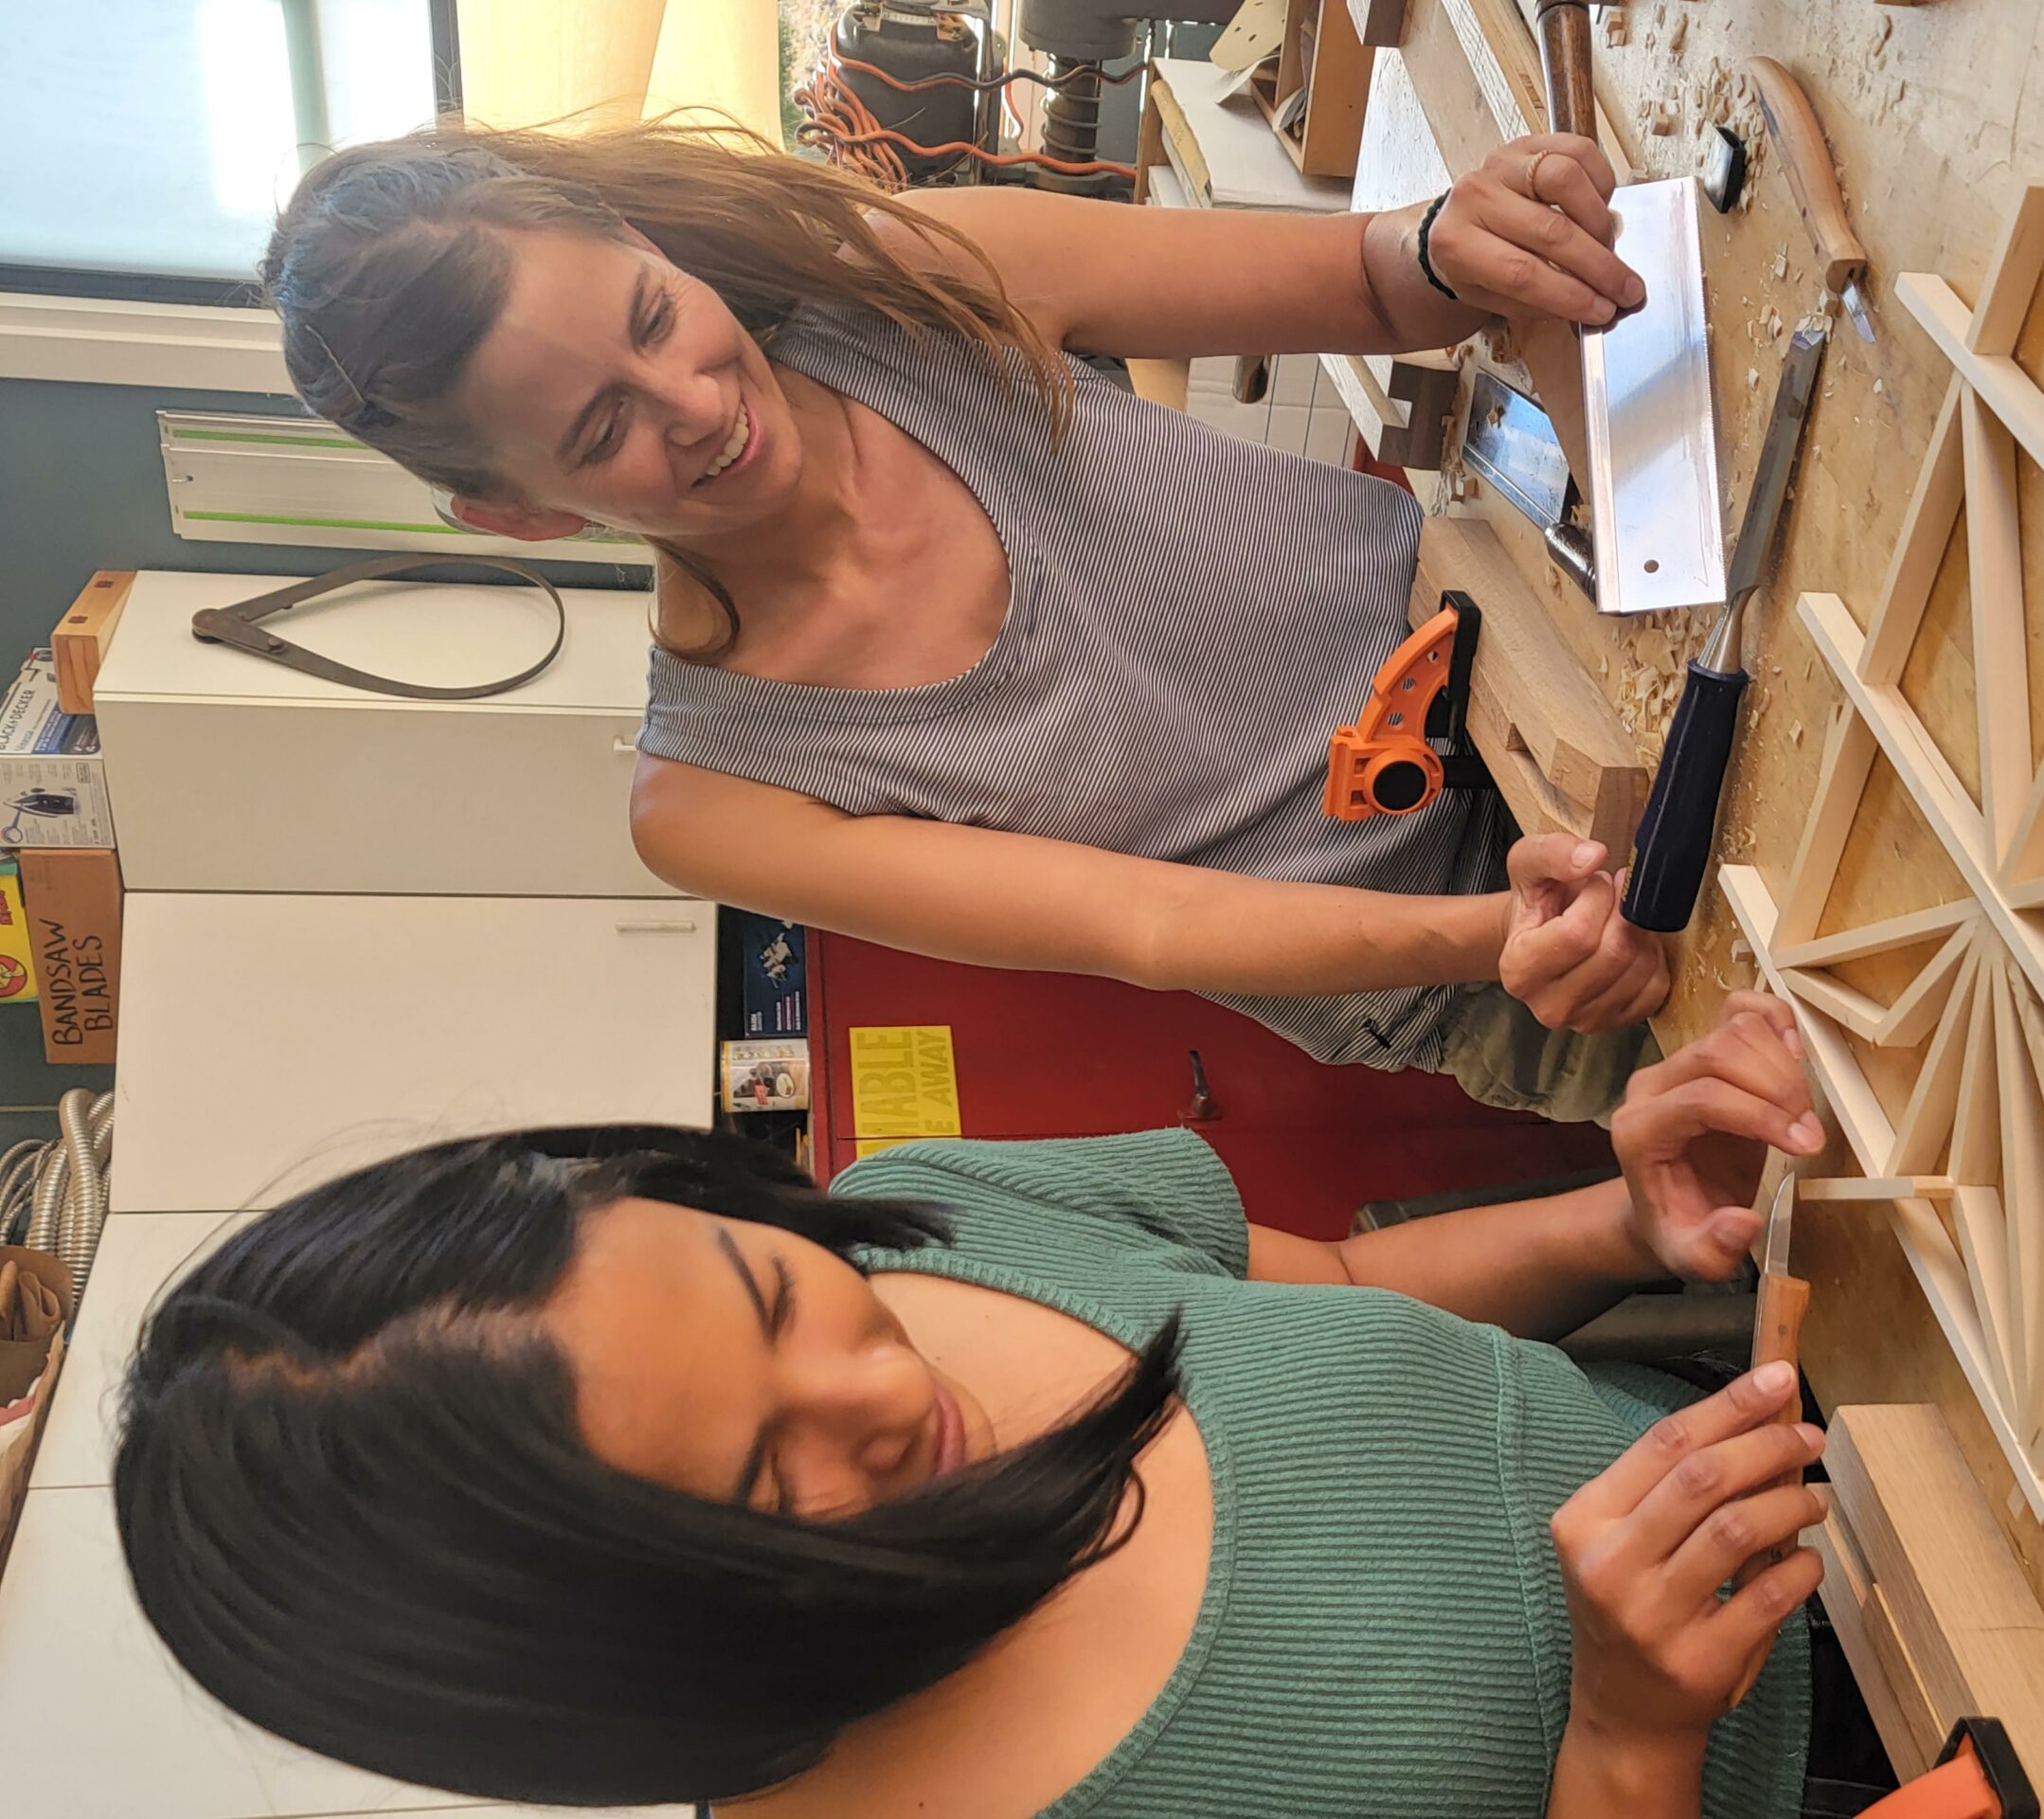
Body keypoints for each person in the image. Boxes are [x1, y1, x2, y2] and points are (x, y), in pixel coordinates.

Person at [260, 117, 1674, 1124]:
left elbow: (1372, 278)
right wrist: (1495, 937)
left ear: (643, 243)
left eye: (648, 318)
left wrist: (1460, 240)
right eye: (602, 426)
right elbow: (1151, 925)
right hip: (1473, 946)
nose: (698, 405)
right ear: (519, 514)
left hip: (1549, 647)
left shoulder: (903, 279)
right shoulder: (712, 795)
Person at [117, 994, 1833, 1818]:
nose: (881, 1383)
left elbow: (1349, 1296)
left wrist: (1616, 1223)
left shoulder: (935, 1201)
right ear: (628, 1684)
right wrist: (1628, 1742)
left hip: (1838, 1465)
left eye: (774, 1291)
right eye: (768, 1486)